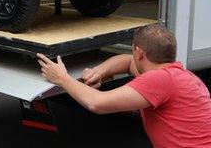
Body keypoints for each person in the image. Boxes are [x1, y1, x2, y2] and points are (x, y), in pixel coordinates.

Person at [37, 24, 211, 148]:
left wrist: (62, 78)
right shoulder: (179, 75)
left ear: (139, 52)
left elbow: (97, 103)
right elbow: (128, 62)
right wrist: (99, 71)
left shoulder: (160, 80)